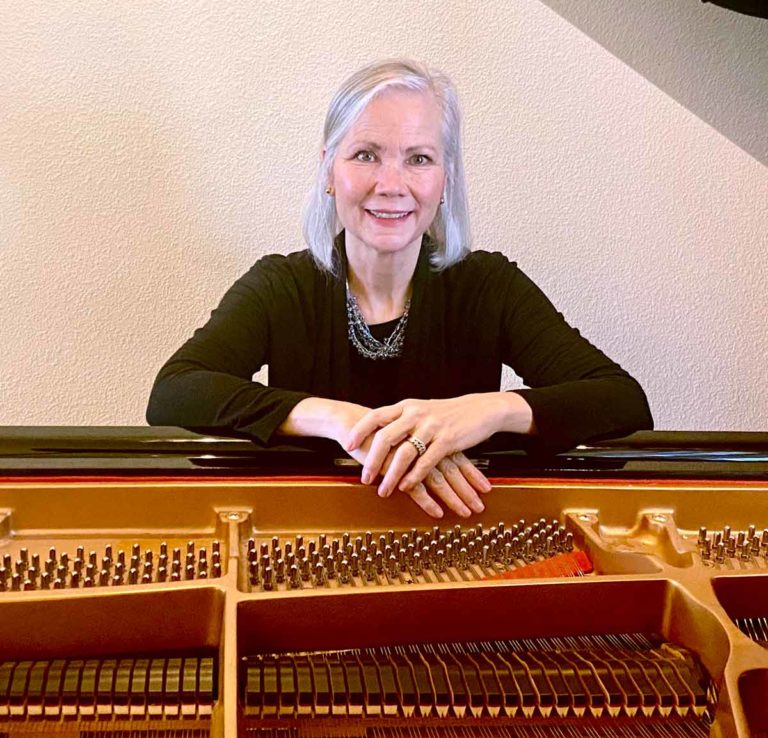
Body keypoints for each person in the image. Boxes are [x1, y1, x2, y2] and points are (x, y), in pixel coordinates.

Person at [146, 59, 653, 519]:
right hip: (313, 538)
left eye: (419, 159)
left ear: (446, 177)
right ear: (329, 168)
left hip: (457, 540)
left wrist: (482, 411)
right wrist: (344, 422)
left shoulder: (488, 286)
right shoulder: (282, 286)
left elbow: (622, 401)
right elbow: (174, 393)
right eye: (366, 155)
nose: (391, 184)